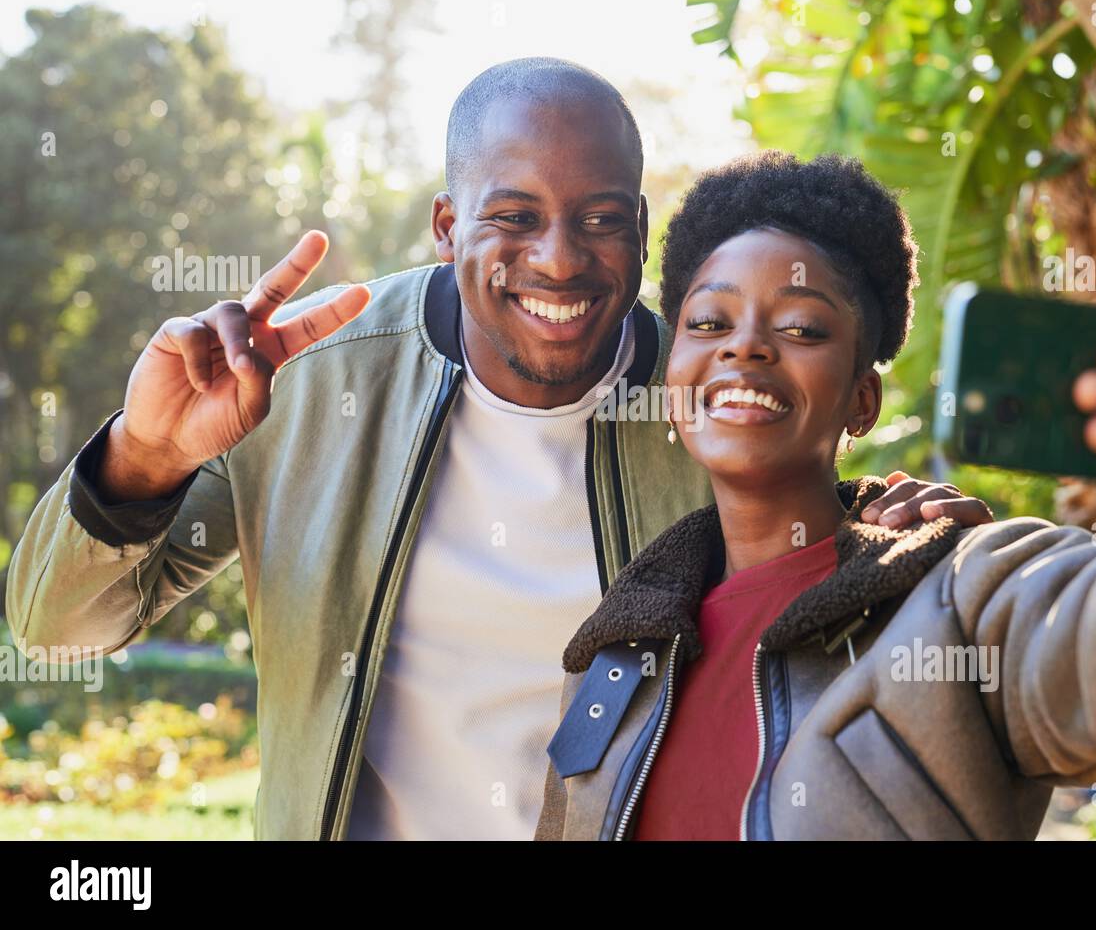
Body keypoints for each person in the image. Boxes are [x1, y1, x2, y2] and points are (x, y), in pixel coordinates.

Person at [4, 59, 988, 840]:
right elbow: (56, 630)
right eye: (513, 218)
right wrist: (142, 457)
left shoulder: (712, 406)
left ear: (641, 233)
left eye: (600, 220)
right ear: (446, 225)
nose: (559, 257)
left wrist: (891, 552)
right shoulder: (301, 381)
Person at [536, 150, 1096, 841]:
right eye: (709, 321)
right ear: (675, 384)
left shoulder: (954, 596)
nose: (746, 346)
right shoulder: (611, 656)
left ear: (862, 402)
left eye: (803, 328)